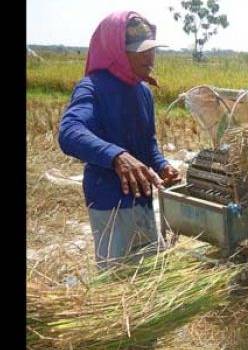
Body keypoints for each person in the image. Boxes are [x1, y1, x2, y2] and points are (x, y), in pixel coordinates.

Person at [58, 11, 181, 269]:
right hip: (110, 203)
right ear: (116, 51)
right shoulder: (92, 87)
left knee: (149, 272)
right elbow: (69, 131)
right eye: (139, 50)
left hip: (143, 198)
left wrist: (162, 166)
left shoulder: (143, 91)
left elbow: (148, 144)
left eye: (151, 49)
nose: (149, 56)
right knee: (118, 277)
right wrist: (116, 156)